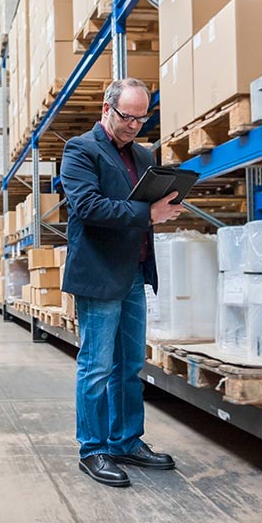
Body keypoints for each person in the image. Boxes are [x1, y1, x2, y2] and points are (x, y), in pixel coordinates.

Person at [59, 77, 185, 487]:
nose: (133, 125)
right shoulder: (80, 150)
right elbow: (89, 207)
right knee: (97, 365)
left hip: (134, 272)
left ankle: (125, 441)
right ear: (106, 109)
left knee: (130, 366)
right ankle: (93, 449)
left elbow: (142, 207)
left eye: (141, 117)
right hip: (98, 274)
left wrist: (167, 206)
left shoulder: (145, 154)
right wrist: (149, 214)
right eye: (126, 116)